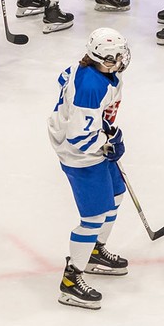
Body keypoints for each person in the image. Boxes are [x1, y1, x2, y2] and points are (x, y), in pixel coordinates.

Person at [47, 28, 132, 310]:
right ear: (101, 59)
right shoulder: (92, 86)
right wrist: (107, 140)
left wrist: (104, 130)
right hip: (81, 155)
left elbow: (65, 80)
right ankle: (71, 281)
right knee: (94, 217)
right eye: (115, 56)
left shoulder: (92, 70)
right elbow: (79, 137)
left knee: (116, 195)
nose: (121, 59)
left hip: (90, 144)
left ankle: (94, 251)